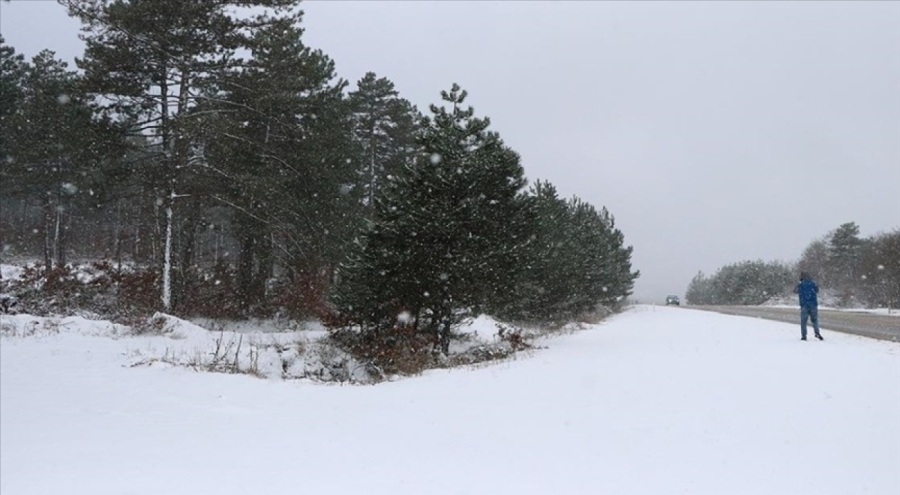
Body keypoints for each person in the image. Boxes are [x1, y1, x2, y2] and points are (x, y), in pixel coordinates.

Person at [794, 272, 823, 341]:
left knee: (803, 321)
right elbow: (817, 290)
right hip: (813, 304)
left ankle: (804, 336)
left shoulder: (801, 284)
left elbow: (795, 291)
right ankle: (817, 332)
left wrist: (799, 284)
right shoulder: (813, 283)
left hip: (804, 305)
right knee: (815, 320)